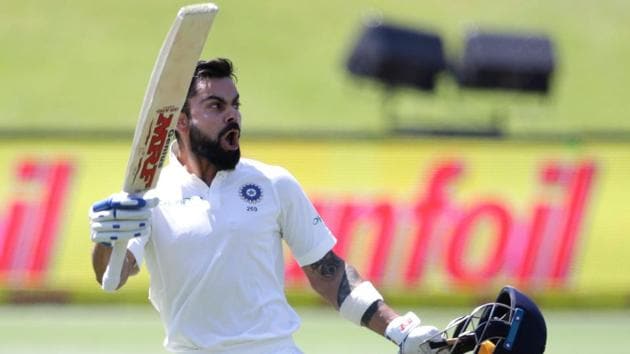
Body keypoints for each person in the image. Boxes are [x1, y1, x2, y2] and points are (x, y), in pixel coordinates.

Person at [90, 58, 445, 354]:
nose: (233, 116)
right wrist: (107, 239)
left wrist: (397, 328)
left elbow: (331, 274)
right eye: (216, 106)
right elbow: (112, 277)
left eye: (236, 105)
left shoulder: (272, 183)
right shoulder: (150, 195)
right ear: (180, 121)